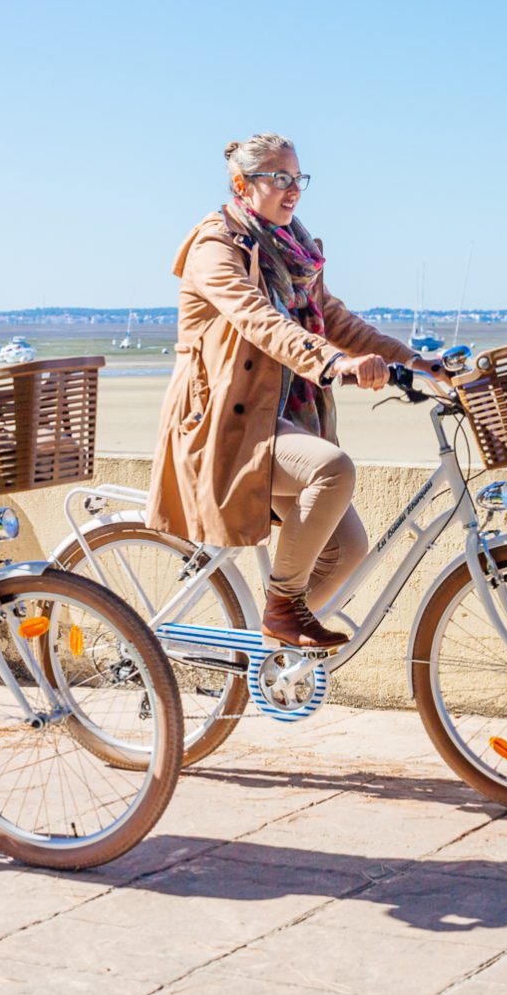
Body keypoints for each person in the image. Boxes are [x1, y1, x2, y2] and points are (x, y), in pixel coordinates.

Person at [145, 133, 437, 649]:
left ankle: (269, 653)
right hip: (222, 422)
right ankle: (282, 611)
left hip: (277, 415)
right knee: (331, 469)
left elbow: (338, 321)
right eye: (279, 178)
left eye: (297, 178)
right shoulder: (214, 246)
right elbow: (258, 320)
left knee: (346, 549)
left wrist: (414, 360)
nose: (293, 189)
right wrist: (334, 363)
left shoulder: (293, 249)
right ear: (242, 183)